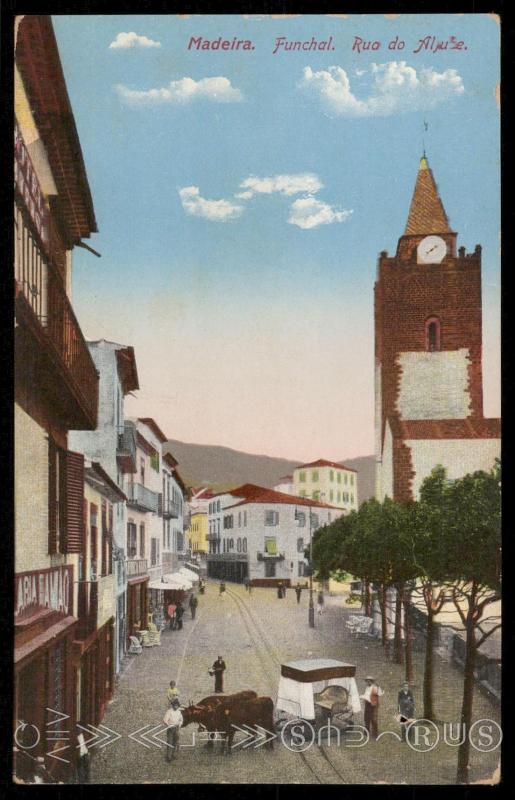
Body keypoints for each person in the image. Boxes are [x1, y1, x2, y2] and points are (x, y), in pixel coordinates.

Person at [163, 698, 183, 762]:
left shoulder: (179, 712)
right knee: (170, 742)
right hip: (171, 728)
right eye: (174, 705)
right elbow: (165, 720)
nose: (176, 706)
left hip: (176, 728)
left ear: (178, 705)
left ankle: (173, 755)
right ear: (172, 705)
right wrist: (169, 725)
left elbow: (181, 720)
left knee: (175, 742)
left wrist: (179, 725)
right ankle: (168, 757)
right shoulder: (169, 711)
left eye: (177, 705)